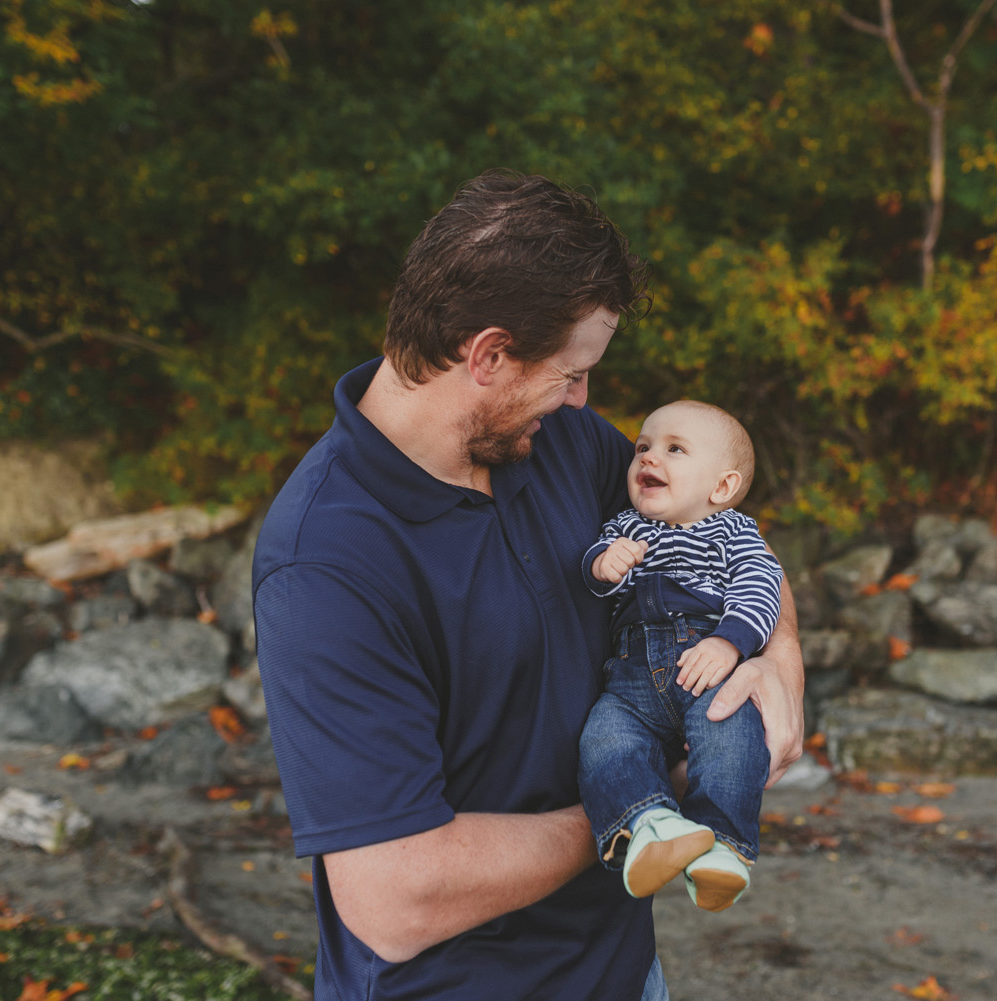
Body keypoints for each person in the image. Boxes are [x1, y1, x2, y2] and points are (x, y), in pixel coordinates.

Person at [251, 171, 804, 1001]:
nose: (585, 397)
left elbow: (730, 540)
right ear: (489, 355)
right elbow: (395, 897)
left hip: (625, 975)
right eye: (570, 373)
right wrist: (638, 810)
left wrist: (778, 658)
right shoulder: (326, 564)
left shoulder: (561, 443)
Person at [578, 400, 783, 914]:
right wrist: (603, 564)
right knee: (604, 739)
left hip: (705, 667)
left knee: (731, 735)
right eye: (643, 448)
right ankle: (651, 825)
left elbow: (762, 588)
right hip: (630, 684)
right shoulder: (624, 527)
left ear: (721, 488)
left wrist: (730, 642)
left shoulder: (736, 533)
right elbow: (594, 578)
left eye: (674, 449)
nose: (649, 458)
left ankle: (724, 847)